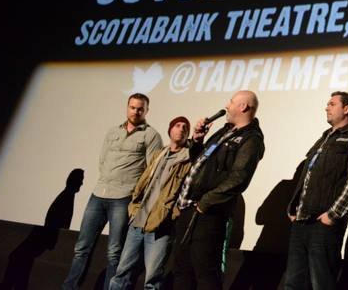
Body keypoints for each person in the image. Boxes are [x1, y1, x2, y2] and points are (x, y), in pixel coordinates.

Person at [62, 93, 163, 290]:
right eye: (132, 107)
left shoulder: (151, 136)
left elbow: (152, 171)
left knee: (114, 252)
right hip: (99, 194)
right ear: (127, 107)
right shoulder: (112, 132)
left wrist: (134, 193)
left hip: (123, 198)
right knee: (81, 248)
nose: (136, 111)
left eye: (140, 108)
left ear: (147, 111)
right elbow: (103, 161)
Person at [173, 90, 265, 290]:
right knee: (182, 269)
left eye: (231, 102)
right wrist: (197, 140)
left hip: (209, 213)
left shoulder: (251, 139)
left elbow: (239, 178)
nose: (227, 105)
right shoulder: (224, 131)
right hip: (188, 207)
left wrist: (205, 204)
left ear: (243, 107)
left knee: (205, 272)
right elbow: (200, 161)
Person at [284, 91, 348, 290]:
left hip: (323, 225)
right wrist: (293, 209)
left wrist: (333, 215)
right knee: (293, 283)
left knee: (321, 283)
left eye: (332, 104)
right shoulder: (324, 138)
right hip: (302, 221)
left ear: (346, 109)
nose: (327, 107)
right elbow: (309, 176)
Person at [108, 116, 193, 290]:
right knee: (121, 274)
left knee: (152, 280)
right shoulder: (159, 153)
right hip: (138, 222)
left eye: (185, 127)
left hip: (160, 226)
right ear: (170, 130)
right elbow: (143, 184)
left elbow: (186, 191)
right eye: (177, 125)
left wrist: (173, 214)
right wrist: (134, 209)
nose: (181, 129)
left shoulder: (187, 159)